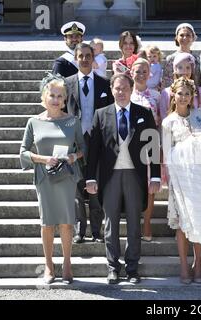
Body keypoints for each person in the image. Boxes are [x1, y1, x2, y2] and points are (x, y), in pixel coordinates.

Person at [86, 74, 161, 284]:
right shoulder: (101, 114)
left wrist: (155, 175)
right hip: (110, 176)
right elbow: (93, 150)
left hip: (134, 175)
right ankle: (112, 267)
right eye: (117, 88)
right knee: (110, 223)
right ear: (111, 89)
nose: (121, 92)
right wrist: (90, 177)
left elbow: (153, 147)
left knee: (134, 224)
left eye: (125, 88)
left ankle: (132, 268)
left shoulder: (143, 113)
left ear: (131, 89)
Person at [20, 74, 85, 284]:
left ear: (65, 99)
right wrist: (42, 159)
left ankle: (67, 264)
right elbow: (23, 152)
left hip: (66, 177)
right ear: (44, 97)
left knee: (66, 223)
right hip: (44, 179)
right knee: (47, 224)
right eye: (52, 95)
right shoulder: (33, 122)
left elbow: (83, 149)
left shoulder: (72, 121)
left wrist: (74, 156)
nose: (56, 99)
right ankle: (49, 266)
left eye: (60, 96)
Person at [162, 78, 201, 284]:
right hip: (180, 178)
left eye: (187, 93)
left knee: (199, 219)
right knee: (183, 222)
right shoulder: (168, 122)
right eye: (179, 93)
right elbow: (167, 153)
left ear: (193, 95)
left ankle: (199, 263)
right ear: (173, 95)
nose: (183, 97)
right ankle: (184, 265)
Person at [65, 43, 114, 244]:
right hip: (75, 142)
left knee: (95, 187)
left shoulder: (104, 83)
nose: (84, 59)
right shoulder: (66, 84)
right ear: (76, 58)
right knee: (77, 189)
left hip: (96, 142)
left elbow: (109, 113)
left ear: (93, 58)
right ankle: (79, 231)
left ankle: (96, 231)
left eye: (88, 56)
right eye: (81, 56)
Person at [130, 58, 162, 241]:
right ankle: (134, 224)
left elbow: (161, 121)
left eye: (144, 71)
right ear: (131, 73)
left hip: (149, 147)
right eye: (137, 71)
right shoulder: (126, 93)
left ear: (150, 73)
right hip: (129, 147)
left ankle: (147, 224)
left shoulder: (157, 96)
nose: (141, 75)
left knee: (150, 187)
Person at [160, 52, 201, 121]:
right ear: (175, 70)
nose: (184, 71)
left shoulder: (200, 92)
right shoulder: (166, 93)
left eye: (188, 67)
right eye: (180, 67)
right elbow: (163, 116)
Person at [162, 23, 201, 88]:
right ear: (176, 38)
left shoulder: (197, 59)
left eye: (188, 35)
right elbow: (166, 83)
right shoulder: (171, 59)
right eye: (181, 35)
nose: (185, 38)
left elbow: (199, 82)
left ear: (193, 37)